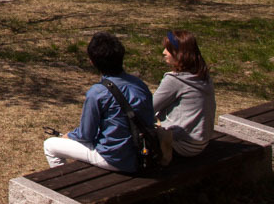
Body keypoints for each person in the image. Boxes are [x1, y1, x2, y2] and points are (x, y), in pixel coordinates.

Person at [44, 31, 155, 172]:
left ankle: (65, 186)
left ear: (92, 61)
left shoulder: (98, 92)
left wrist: (69, 135)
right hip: (143, 152)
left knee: (50, 145)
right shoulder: (139, 84)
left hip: (116, 159)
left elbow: (86, 135)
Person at [154, 29, 215, 158]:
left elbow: (148, 107)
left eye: (168, 49)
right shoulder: (203, 76)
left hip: (181, 144)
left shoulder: (175, 80)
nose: (163, 52)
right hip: (200, 142)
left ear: (179, 53)